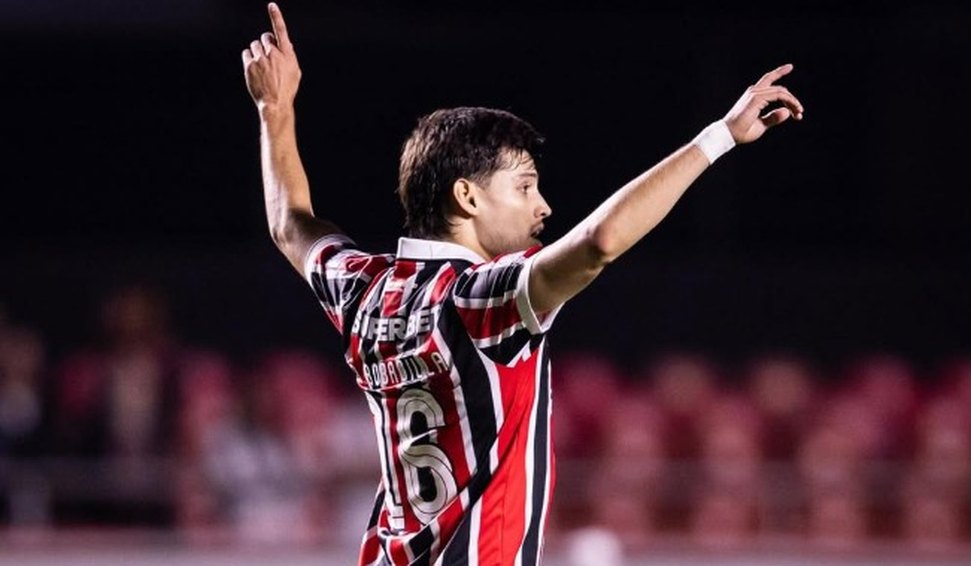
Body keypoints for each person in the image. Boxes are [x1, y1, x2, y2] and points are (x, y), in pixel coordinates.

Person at [241, 3, 804, 564]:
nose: (544, 206)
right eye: (525, 186)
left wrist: (275, 109)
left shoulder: (364, 289)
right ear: (467, 197)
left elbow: (290, 224)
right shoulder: (477, 299)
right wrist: (719, 137)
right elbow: (600, 242)